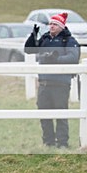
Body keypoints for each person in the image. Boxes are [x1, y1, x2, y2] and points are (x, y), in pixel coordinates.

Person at [23, 11, 80, 148]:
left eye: (55, 24)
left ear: (61, 26)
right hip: (44, 83)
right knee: (44, 114)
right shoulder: (45, 39)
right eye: (50, 24)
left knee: (61, 115)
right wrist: (33, 35)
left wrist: (56, 59)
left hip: (60, 84)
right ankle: (48, 142)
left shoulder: (69, 41)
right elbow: (28, 50)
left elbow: (73, 58)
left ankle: (62, 143)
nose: (51, 26)